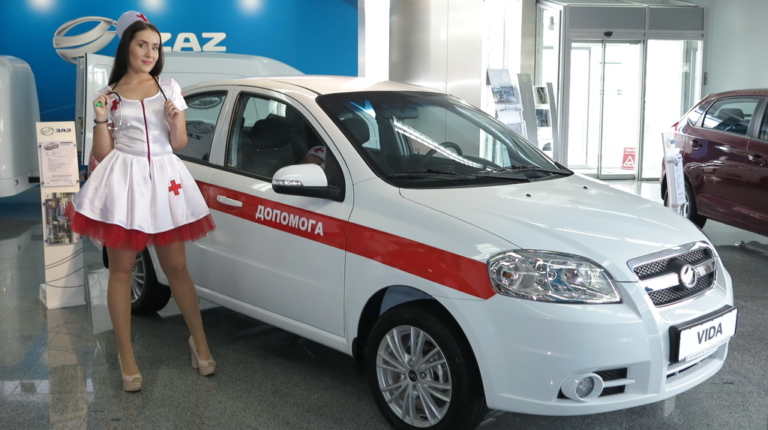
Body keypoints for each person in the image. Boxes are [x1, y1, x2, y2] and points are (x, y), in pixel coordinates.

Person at [67, 11, 216, 392]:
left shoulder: (168, 87)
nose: (150, 53)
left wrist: (175, 121)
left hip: (166, 180)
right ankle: (126, 354)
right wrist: (100, 118)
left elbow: (179, 142)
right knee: (121, 270)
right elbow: (102, 153)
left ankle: (199, 342)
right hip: (126, 181)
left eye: (156, 47)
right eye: (142, 45)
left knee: (177, 266)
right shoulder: (110, 95)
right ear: (127, 47)